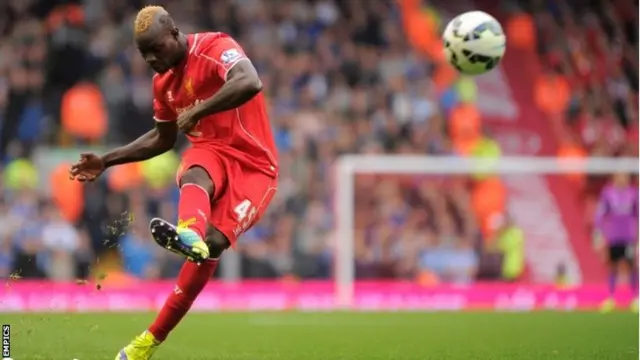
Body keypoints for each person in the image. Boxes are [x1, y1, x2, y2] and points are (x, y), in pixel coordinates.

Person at [68, 6, 278, 359]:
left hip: (255, 167)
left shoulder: (214, 47)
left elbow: (249, 81)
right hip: (211, 151)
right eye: (143, 53)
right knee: (193, 171)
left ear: (175, 33)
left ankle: (153, 334)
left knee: (212, 247)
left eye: (156, 48)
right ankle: (186, 236)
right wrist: (106, 160)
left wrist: (198, 110)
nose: (150, 58)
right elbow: (162, 139)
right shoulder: (163, 83)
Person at [593, 173, 638, 313]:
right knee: (613, 267)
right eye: (619, 176)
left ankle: (635, 298)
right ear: (614, 178)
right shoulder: (608, 194)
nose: (622, 179)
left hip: (629, 237)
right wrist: (598, 232)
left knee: (632, 266)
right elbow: (600, 214)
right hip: (613, 237)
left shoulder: (634, 194)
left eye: (624, 176)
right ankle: (611, 298)